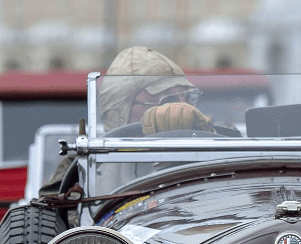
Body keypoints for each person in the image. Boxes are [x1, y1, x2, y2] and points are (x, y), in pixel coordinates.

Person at [39, 46, 213, 196]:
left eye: (189, 98)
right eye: (167, 101)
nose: (184, 108)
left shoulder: (220, 146)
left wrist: (209, 137)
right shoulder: (83, 167)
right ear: (121, 110)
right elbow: (49, 220)